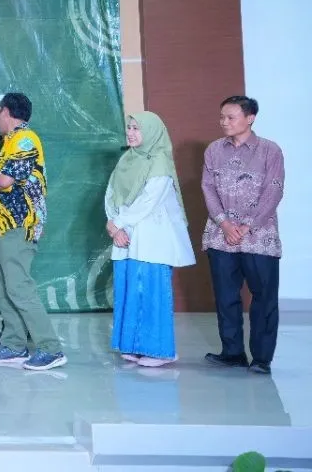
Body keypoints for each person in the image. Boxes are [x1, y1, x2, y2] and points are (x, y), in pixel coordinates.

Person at [0, 92, 66, 371]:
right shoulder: (9, 142)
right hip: (0, 225)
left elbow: (4, 181)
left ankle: (51, 349)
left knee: (18, 286)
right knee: (2, 287)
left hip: (18, 225)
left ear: (7, 112)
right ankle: (14, 345)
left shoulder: (25, 139)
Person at [200, 96, 285, 375]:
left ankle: (261, 359)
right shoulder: (214, 150)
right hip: (221, 237)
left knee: (264, 299)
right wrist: (225, 224)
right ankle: (232, 353)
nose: (224, 122)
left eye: (231, 117)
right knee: (226, 298)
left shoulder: (270, 150)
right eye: (222, 117)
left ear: (250, 118)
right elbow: (208, 188)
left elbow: (274, 190)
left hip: (259, 238)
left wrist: (247, 226)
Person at [105, 112, 196, 367]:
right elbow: (110, 194)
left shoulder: (160, 162)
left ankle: (159, 351)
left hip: (152, 239)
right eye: (129, 127)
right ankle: (132, 346)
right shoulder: (127, 159)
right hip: (125, 237)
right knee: (129, 290)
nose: (131, 133)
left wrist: (118, 223)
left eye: (137, 128)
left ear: (152, 132)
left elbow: (149, 200)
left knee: (151, 292)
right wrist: (114, 226)